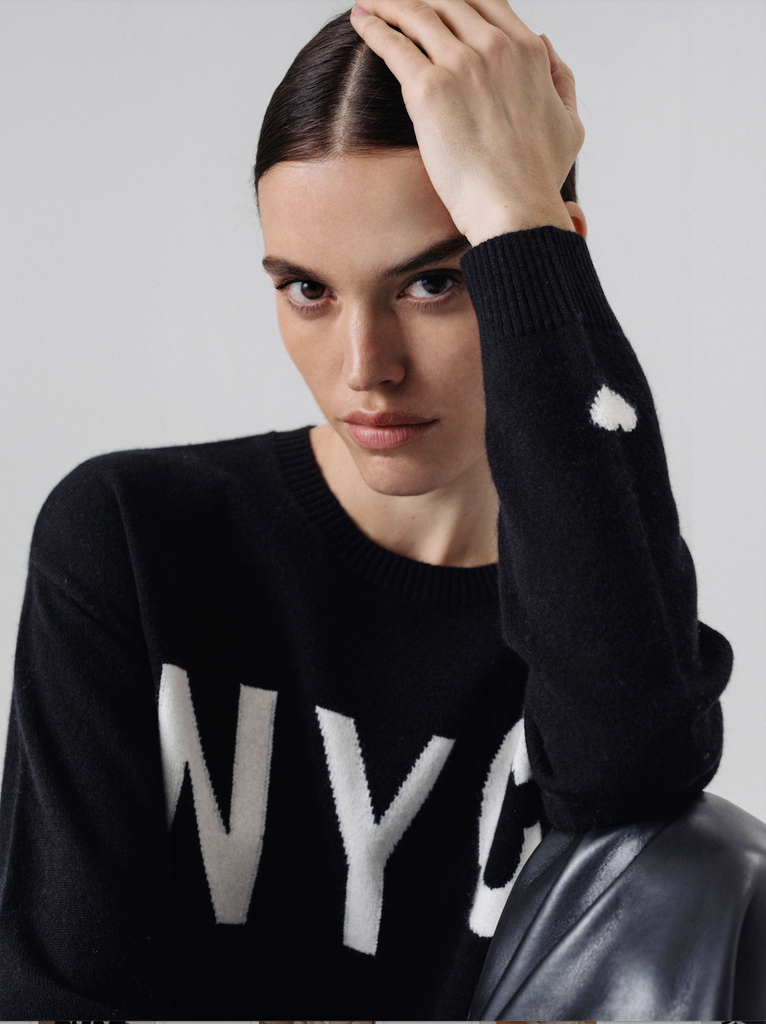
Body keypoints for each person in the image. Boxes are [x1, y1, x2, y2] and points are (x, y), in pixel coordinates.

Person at [0, 0, 732, 1018]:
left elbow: (632, 765)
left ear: (537, 268)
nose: (365, 369)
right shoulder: (135, 539)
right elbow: (57, 995)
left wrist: (521, 223)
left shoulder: (597, 618)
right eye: (307, 289)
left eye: (433, 282)